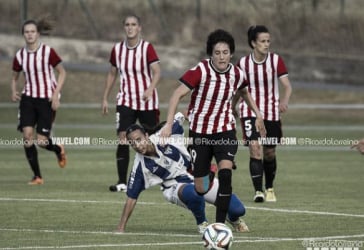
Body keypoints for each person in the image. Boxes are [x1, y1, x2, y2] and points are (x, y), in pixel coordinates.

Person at [160, 29, 266, 224]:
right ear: (211, 54)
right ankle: (209, 170)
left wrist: (258, 115)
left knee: (226, 174)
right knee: (201, 187)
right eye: (217, 53)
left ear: (231, 53)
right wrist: (168, 124)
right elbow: (176, 94)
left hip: (225, 131)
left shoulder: (236, 73)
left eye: (225, 52)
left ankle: (219, 225)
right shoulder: (200, 71)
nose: (221, 57)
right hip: (199, 134)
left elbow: (244, 92)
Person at [116, 113, 249, 233]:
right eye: (132, 144)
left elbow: (184, 114)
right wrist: (121, 228)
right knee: (194, 193)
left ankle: (231, 218)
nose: (137, 146)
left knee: (238, 209)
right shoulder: (139, 166)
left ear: (146, 135)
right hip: (174, 187)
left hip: (196, 175)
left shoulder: (166, 134)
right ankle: (202, 223)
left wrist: (196, 120)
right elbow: (131, 198)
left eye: (139, 140)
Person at [102, 14, 161, 192]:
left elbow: (157, 71)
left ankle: (161, 175)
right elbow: (112, 74)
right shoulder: (117, 49)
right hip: (125, 99)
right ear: (124, 27)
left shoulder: (147, 48)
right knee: (122, 139)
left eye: (133, 24)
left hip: (147, 101)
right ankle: (122, 181)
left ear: (139, 27)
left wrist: (150, 88)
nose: (130, 27)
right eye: (127, 24)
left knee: (152, 140)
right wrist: (105, 96)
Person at [237, 25, 292, 202]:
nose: (266, 44)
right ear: (253, 43)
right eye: (262, 41)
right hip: (249, 111)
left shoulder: (276, 61)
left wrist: (284, 100)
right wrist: (231, 108)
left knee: (269, 152)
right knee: (255, 148)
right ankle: (258, 191)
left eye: (268, 41)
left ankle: (269, 187)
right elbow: (238, 89)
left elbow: (287, 85)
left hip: (271, 113)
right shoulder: (243, 63)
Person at [11, 16, 67, 185]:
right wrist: (13, 90)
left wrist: (56, 94)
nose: (30, 35)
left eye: (32, 32)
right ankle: (37, 176)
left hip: (46, 99)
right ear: (23, 35)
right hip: (28, 99)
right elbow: (14, 77)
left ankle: (58, 149)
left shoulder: (48, 52)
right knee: (27, 137)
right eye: (27, 32)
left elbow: (62, 73)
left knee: (42, 141)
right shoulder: (20, 55)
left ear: (38, 34)